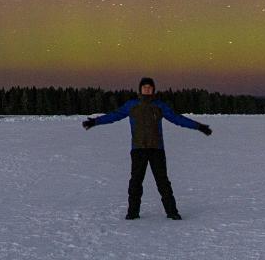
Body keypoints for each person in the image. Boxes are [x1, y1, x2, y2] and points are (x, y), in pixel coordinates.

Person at [82, 77, 212, 220]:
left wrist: (198, 126)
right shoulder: (132, 105)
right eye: (144, 87)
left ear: (153, 90)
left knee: (163, 182)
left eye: (150, 87)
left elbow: (177, 119)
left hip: (157, 149)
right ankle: (132, 213)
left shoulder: (160, 106)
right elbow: (114, 115)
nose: (147, 89)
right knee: (136, 182)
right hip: (138, 149)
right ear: (140, 89)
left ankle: (172, 212)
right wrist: (95, 121)